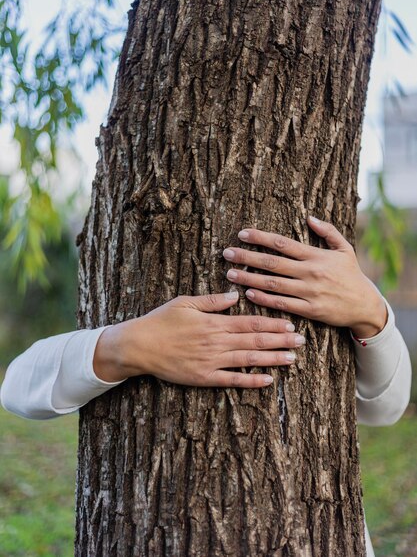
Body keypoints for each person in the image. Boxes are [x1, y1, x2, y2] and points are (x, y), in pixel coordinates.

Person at [0, 217, 412, 556]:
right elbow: (18, 387)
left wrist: (372, 313)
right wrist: (127, 345)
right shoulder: (117, 292)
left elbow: (386, 406)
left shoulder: (342, 307)